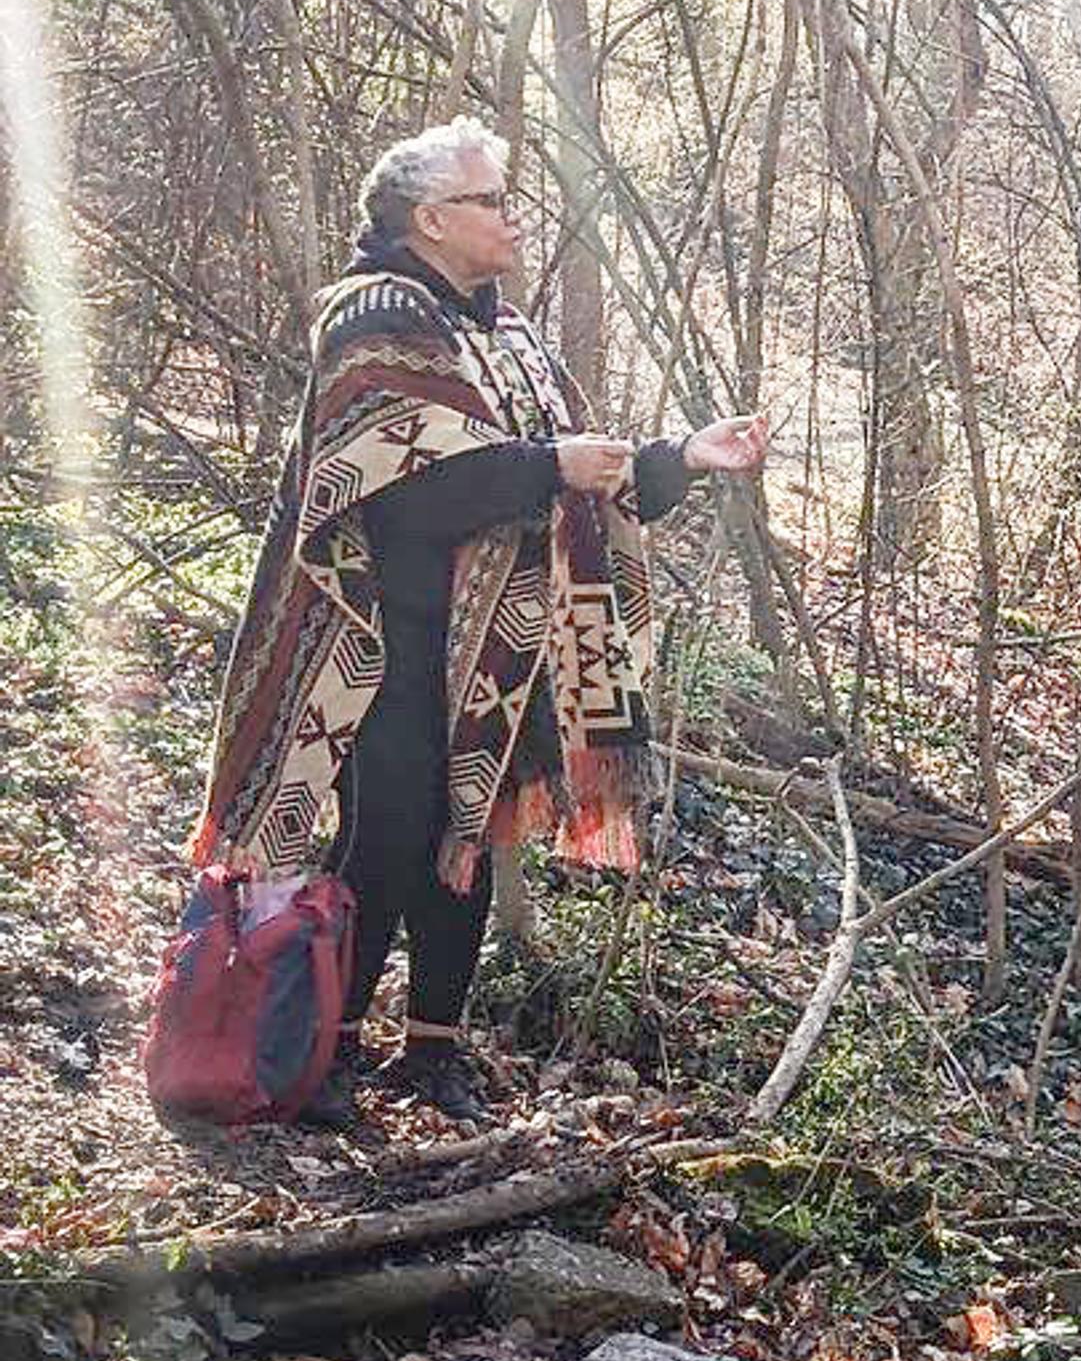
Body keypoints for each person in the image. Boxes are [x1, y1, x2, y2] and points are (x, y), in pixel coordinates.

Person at [190, 120, 767, 1127]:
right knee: (384, 843)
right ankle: (323, 1052)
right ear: (431, 219)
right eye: (494, 200)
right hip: (383, 644)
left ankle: (433, 1058)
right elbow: (404, 495)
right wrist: (549, 466)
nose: (513, 216)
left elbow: (580, 477)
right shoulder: (373, 321)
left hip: (497, 651)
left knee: (469, 838)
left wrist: (682, 455)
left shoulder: (505, 336)